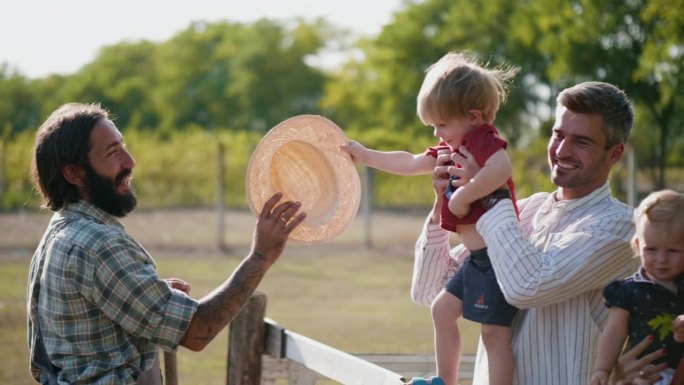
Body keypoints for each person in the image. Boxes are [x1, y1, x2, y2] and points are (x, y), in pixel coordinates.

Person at [26, 103, 306, 385]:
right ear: (74, 174)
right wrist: (260, 256)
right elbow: (197, 331)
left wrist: (147, 296)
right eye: (112, 153)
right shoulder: (98, 245)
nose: (130, 161)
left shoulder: (60, 231)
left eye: (122, 146)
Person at [410, 80, 664, 385]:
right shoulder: (526, 210)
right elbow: (429, 291)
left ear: (615, 153)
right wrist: (443, 203)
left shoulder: (621, 228)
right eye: (558, 135)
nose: (562, 150)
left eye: (581, 142)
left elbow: (527, 286)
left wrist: (491, 191)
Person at [342, 51, 519, 385]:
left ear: (474, 115)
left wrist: (464, 196)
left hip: (498, 259)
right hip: (477, 259)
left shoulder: (483, 140)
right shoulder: (454, 144)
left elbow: (502, 169)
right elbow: (410, 161)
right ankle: (445, 381)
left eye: (441, 124)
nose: (437, 134)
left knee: (494, 335)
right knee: (441, 311)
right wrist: (365, 155)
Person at [590, 190, 684, 385]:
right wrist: (602, 369)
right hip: (645, 374)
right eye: (651, 249)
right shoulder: (630, 290)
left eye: (672, 251)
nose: (661, 259)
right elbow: (614, 333)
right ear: (637, 245)